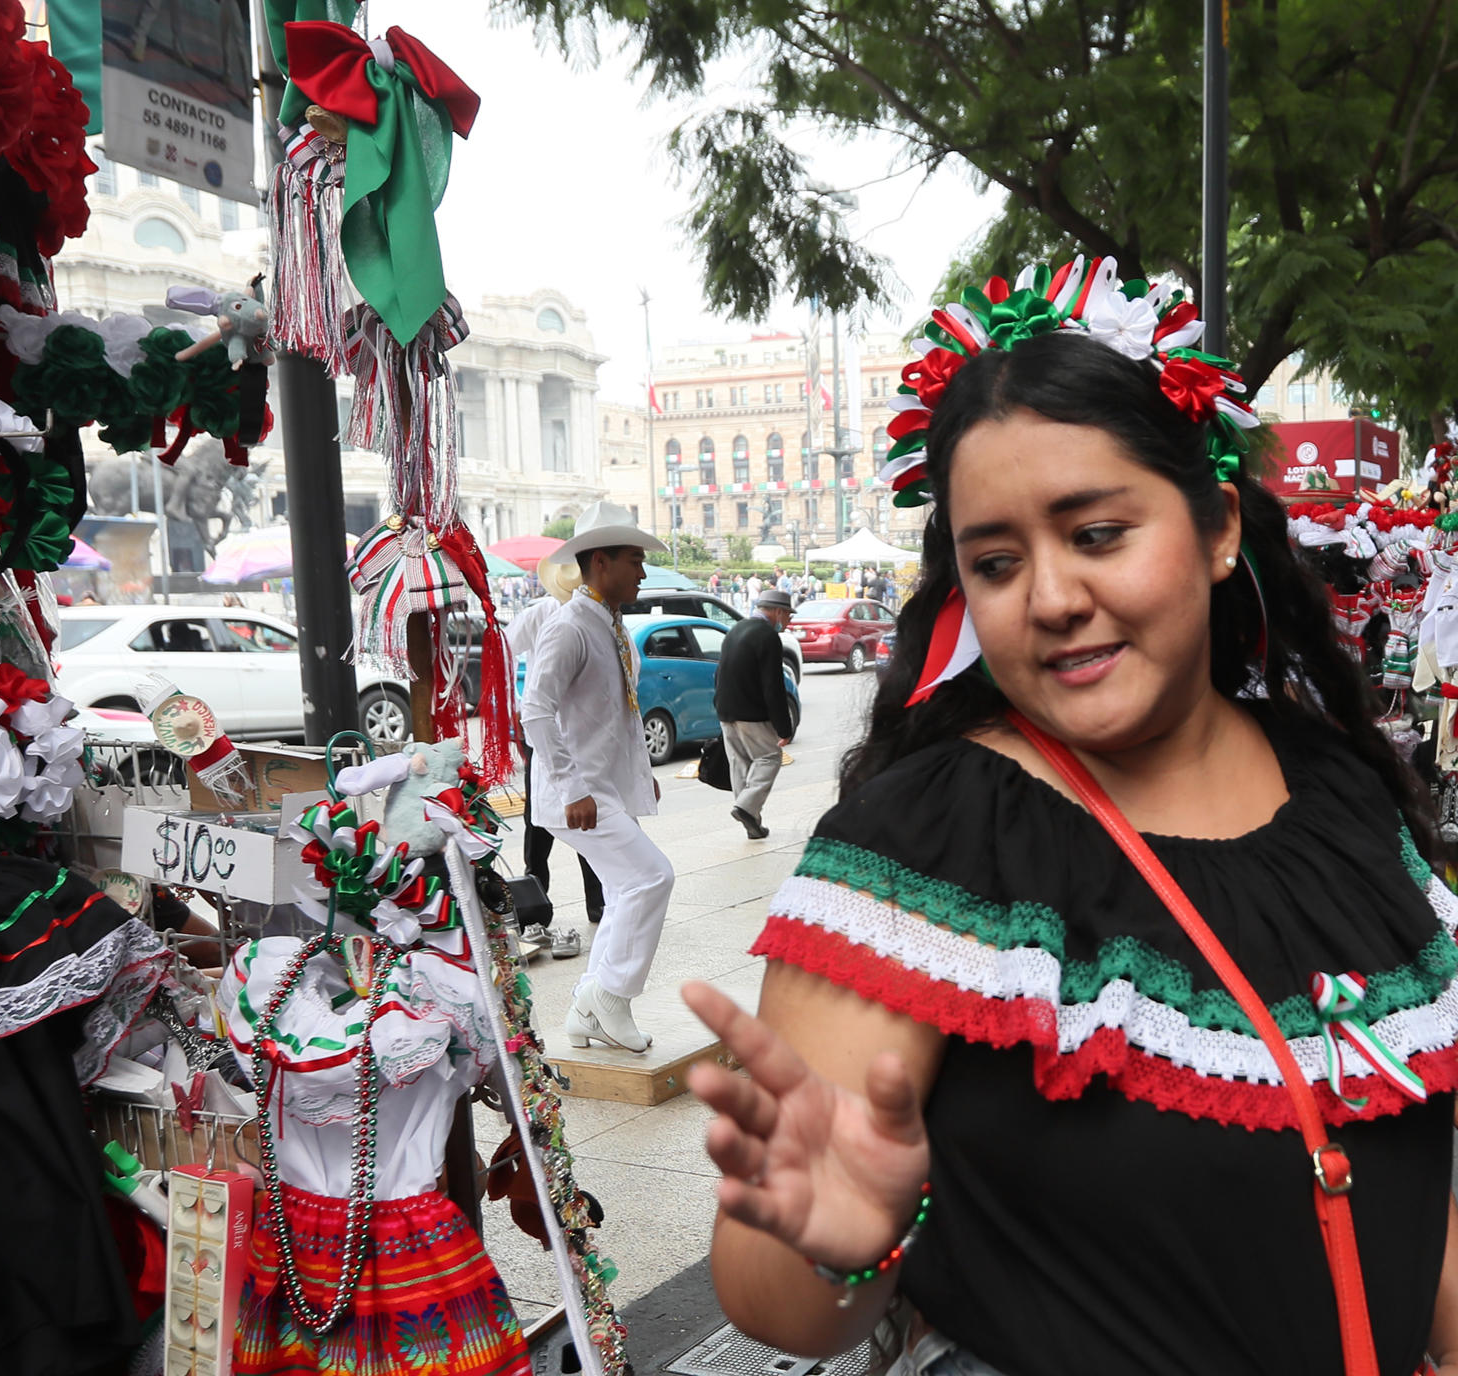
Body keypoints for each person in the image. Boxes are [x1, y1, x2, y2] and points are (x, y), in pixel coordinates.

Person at [683, 264, 1458, 1376]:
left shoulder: (1339, 793)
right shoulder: (912, 853)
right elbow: (780, 1305)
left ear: (1220, 527)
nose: (1048, 597)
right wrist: (843, 1238)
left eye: (1096, 533)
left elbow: (1414, 1196)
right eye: (996, 561)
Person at [522, 500, 676, 1054]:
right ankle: (609, 998)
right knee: (651, 877)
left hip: (603, 789)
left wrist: (640, 774)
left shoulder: (608, 626)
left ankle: (589, 1004)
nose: (641, 570)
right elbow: (535, 709)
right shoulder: (568, 626)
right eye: (634, 559)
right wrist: (573, 788)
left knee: (624, 888)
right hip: (577, 796)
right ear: (601, 561)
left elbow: (617, 714)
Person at [507, 556, 605, 930]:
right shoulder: (542, 613)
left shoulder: (597, 618)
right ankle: (535, 900)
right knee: (538, 825)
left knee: (589, 826)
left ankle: (597, 904)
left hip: (582, 738)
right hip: (545, 736)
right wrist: (516, 704)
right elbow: (504, 648)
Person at [715, 588, 796, 839]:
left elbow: (719, 673)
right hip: (752, 711)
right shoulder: (768, 637)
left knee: (740, 763)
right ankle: (746, 807)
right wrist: (784, 728)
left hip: (726, 709)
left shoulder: (736, 630)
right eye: (788, 616)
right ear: (778, 612)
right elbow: (773, 686)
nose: (789, 621)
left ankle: (752, 821)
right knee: (769, 757)